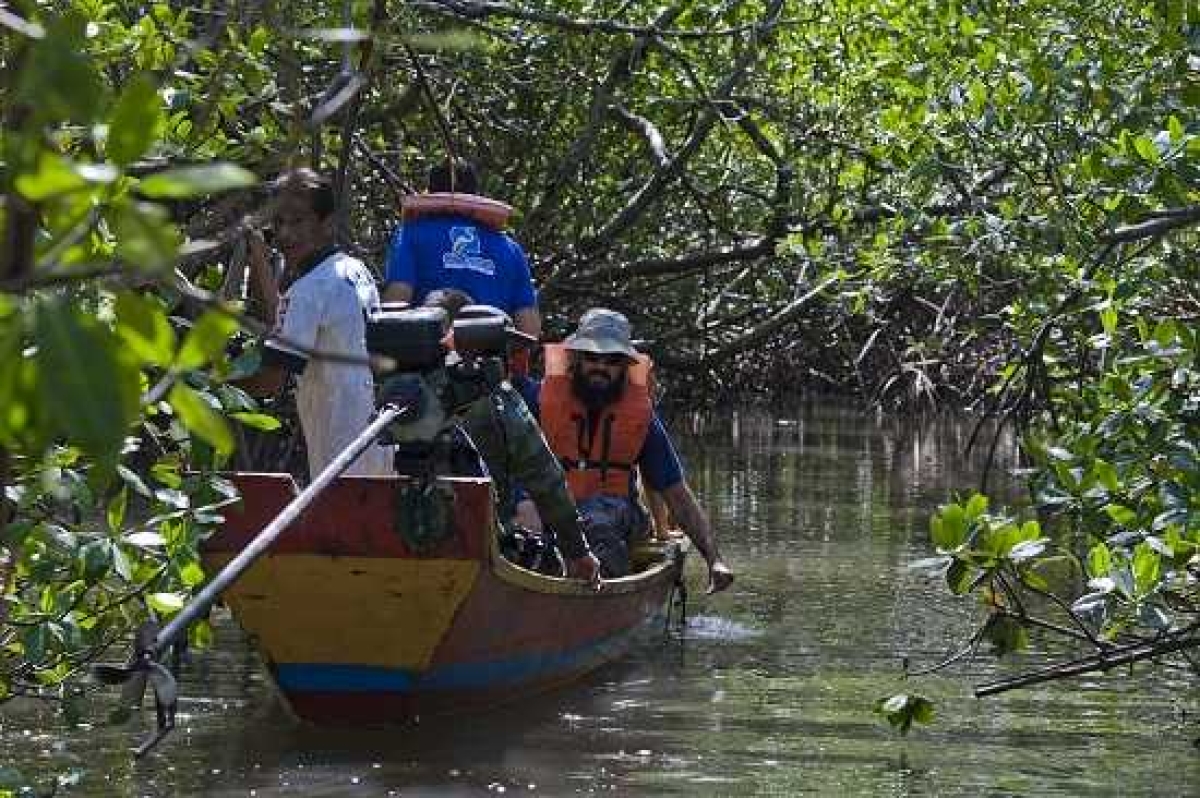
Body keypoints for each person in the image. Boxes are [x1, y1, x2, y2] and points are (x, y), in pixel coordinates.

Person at [523, 309, 734, 593]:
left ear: (624, 365)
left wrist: (714, 559)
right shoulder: (537, 402)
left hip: (617, 512)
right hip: (550, 509)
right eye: (592, 357)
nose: (600, 367)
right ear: (575, 359)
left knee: (595, 519)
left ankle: (596, 599)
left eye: (611, 360)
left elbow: (677, 495)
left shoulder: (641, 417)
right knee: (517, 518)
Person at [417, 294, 601, 586]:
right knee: (546, 559)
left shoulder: (404, 390)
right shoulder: (500, 401)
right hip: (472, 543)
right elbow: (546, 481)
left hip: (397, 534)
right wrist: (578, 553)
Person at [242, 168, 392, 479]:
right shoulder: (353, 271)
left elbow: (271, 380)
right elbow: (285, 324)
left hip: (341, 452)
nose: (285, 234)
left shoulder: (310, 290)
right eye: (279, 223)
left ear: (327, 223)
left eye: (298, 221)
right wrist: (259, 261)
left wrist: (214, 387)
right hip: (376, 443)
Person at [381, 158, 541, 338]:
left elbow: (396, 300)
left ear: (431, 191)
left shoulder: (410, 234)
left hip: (430, 357)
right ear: (474, 193)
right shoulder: (511, 249)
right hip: (490, 359)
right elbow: (529, 328)